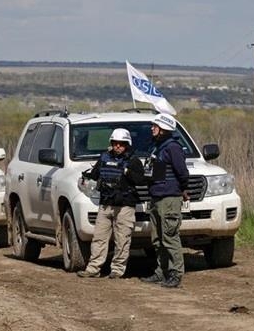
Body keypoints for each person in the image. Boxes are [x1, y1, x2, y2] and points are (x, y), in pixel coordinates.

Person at [77, 128, 145, 279]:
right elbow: (94, 175)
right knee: (99, 238)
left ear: (127, 144)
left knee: (122, 239)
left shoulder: (134, 161)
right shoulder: (104, 158)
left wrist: (127, 172)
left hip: (125, 206)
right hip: (106, 204)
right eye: (115, 143)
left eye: (121, 144)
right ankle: (93, 269)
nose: (118, 147)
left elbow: (141, 180)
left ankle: (117, 270)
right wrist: (86, 178)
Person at [140, 113, 190, 288]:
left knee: (169, 237)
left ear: (163, 129)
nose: (152, 128)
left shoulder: (172, 148)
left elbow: (183, 173)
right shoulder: (157, 147)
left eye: (155, 126)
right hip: (156, 197)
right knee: (157, 239)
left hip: (169, 198)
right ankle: (162, 272)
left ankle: (176, 274)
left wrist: (181, 189)